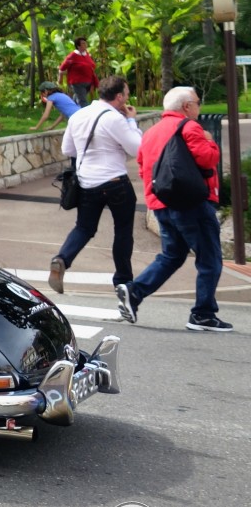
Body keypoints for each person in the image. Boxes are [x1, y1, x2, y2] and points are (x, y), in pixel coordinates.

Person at [117, 87, 231, 331]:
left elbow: (142, 168)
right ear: (187, 106)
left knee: (172, 255)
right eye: (198, 103)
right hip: (191, 204)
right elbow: (207, 160)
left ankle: (134, 292)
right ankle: (203, 314)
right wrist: (211, 143)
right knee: (209, 258)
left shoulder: (151, 133)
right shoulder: (190, 127)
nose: (200, 108)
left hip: (161, 204)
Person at [49, 76, 141, 295]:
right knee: (123, 231)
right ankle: (123, 281)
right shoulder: (115, 119)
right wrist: (131, 121)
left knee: (84, 227)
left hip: (87, 183)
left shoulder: (78, 115)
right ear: (119, 97)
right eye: (126, 94)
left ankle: (62, 259)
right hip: (115, 181)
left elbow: (67, 150)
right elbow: (137, 148)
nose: (127, 98)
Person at [58, 37, 98, 107]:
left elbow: (92, 65)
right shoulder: (72, 55)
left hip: (88, 81)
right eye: (83, 43)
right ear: (78, 46)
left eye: (85, 43)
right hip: (77, 82)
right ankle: (86, 115)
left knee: (78, 97)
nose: (85, 44)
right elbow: (62, 67)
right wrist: (60, 77)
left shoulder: (87, 54)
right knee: (83, 101)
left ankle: (72, 109)